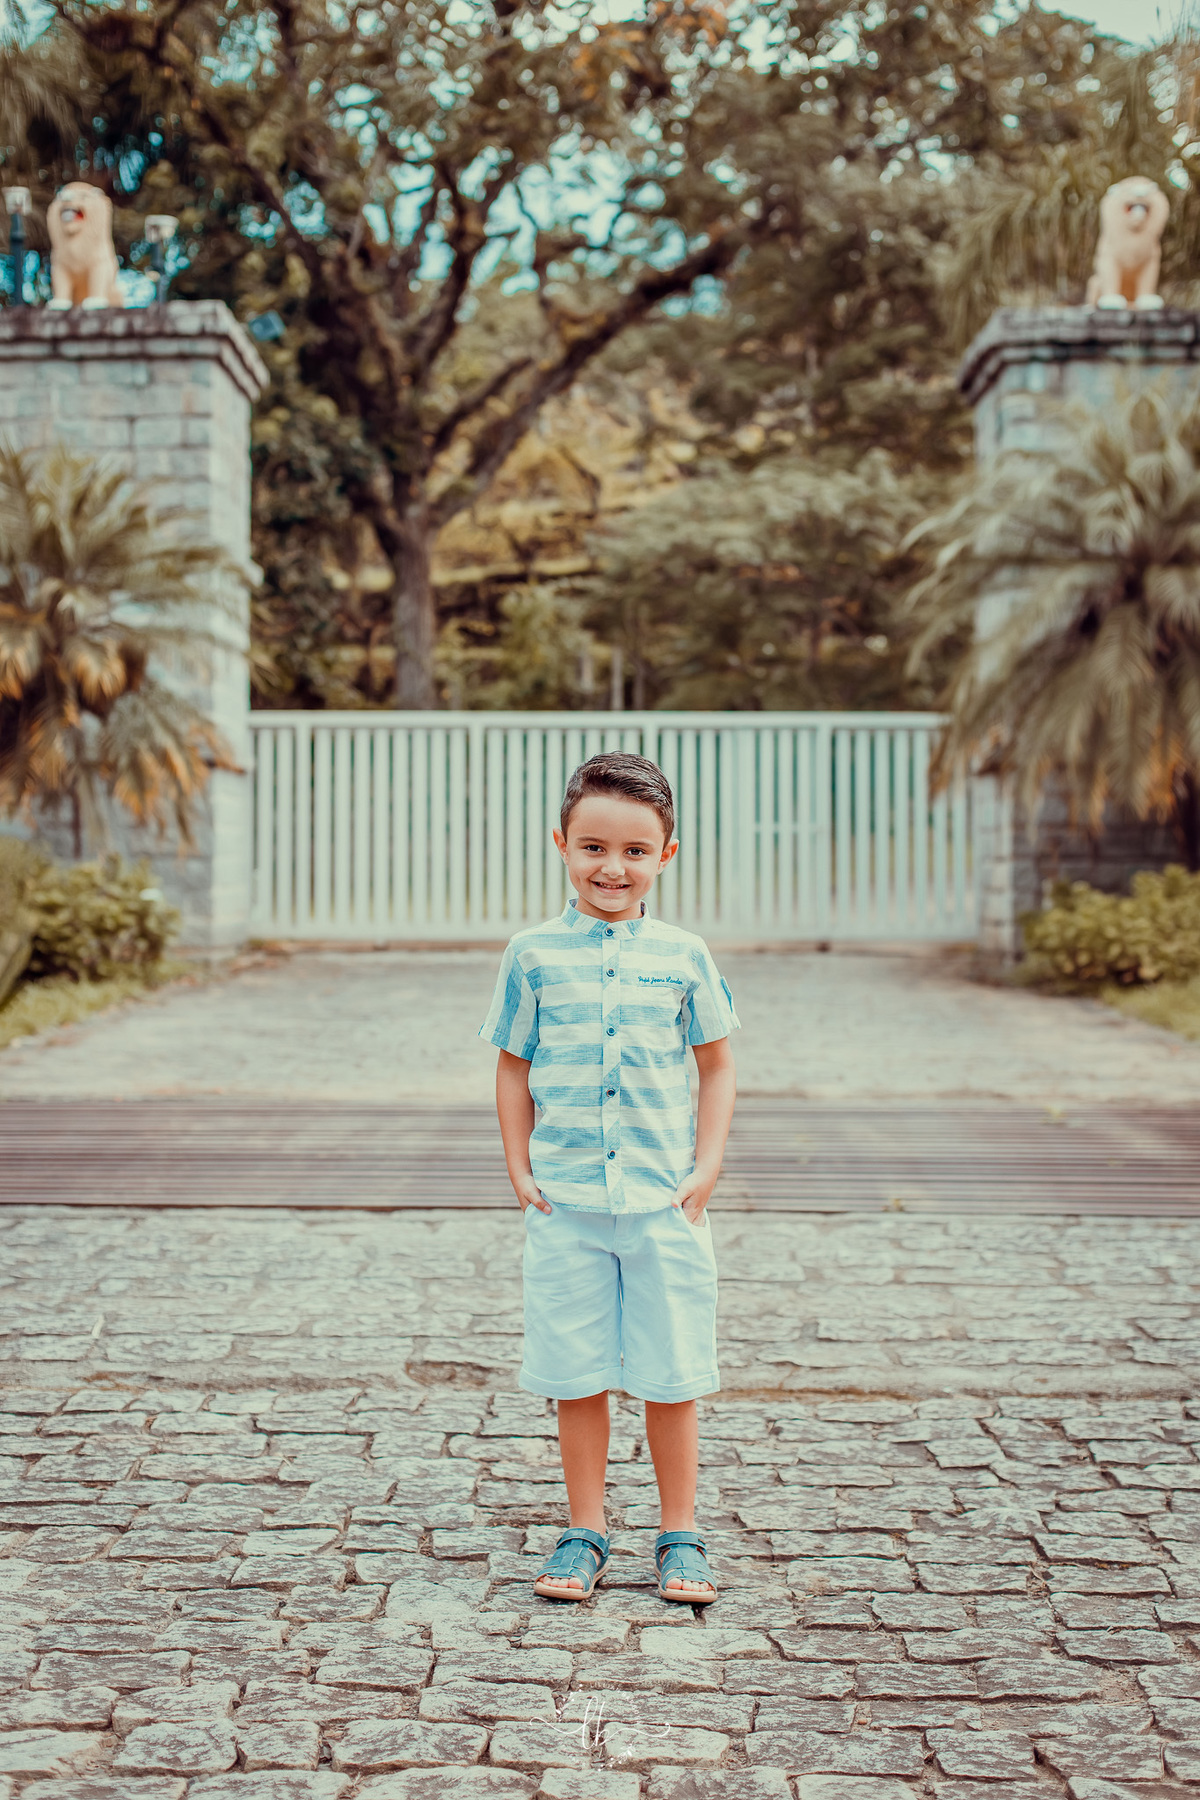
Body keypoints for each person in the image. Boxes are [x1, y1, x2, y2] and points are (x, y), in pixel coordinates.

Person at [479, 751, 738, 1605]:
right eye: (593, 847)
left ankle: (681, 1534)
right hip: (568, 1203)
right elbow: (513, 1065)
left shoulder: (685, 956)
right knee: (575, 1371)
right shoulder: (532, 955)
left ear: (666, 855)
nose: (611, 868)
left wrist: (707, 1165)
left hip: (666, 1203)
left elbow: (718, 1065)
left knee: (672, 1373)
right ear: (561, 843)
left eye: (634, 851)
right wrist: (518, 1164)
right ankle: (584, 1528)